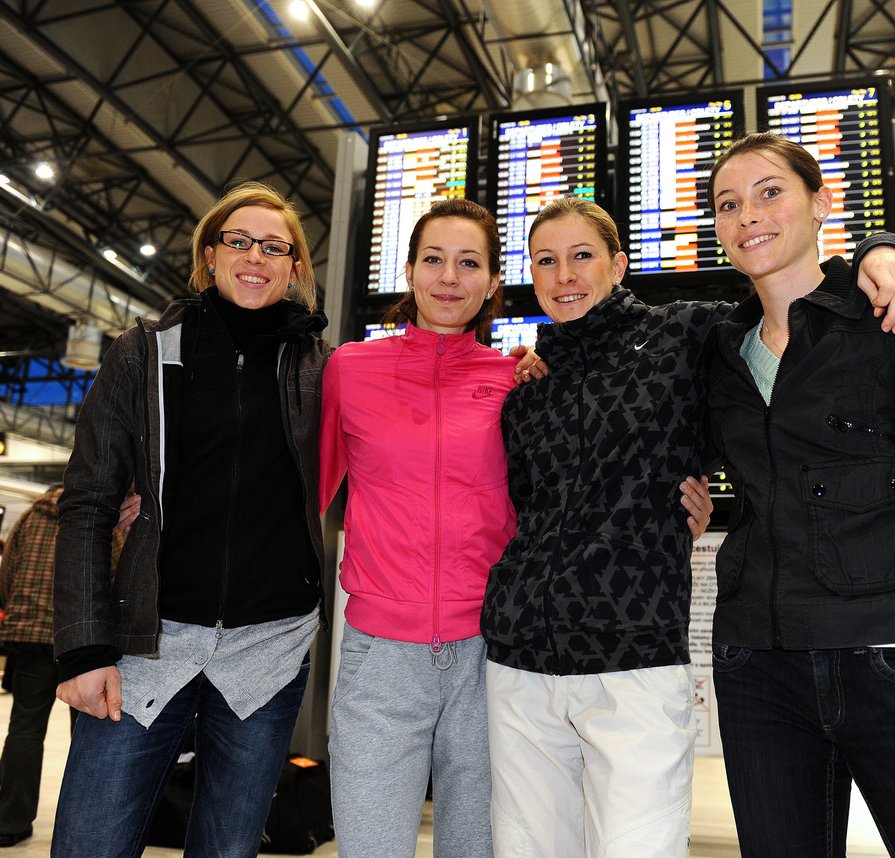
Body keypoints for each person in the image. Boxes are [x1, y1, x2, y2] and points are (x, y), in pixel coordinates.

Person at [480, 193, 895, 857]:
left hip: (634, 653)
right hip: (519, 658)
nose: (564, 274)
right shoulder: (528, 385)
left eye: (581, 256)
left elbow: (788, 295)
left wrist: (881, 249)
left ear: (619, 264)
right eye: (546, 261)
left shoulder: (685, 334)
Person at [702, 132, 895, 856]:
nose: (748, 214)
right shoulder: (719, 355)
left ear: (822, 204)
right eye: (728, 204)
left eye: (770, 191)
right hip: (761, 671)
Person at [52, 181, 330, 858]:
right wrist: (85, 649)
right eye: (239, 241)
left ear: (295, 266)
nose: (255, 257)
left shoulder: (322, 370)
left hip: (268, 650)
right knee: (90, 843)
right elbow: (88, 500)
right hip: (146, 643)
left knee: (228, 849)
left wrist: (523, 372)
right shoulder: (140, 356)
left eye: (275, 246)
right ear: (210, 254)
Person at [319, 197, 578, 858]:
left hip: (490, 657)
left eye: (469, 263)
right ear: (409, 271)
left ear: (493, 281)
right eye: (433, 259)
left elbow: (559, 504)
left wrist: (678, 498)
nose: (448, 277)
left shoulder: (517, 381)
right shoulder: (351, 370)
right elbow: (304, 490)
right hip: (380, 656)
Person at [0, 486, 121, 849]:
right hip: (81, 642)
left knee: (24, 728)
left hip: (29, 637)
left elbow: (6, 572)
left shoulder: (29, 517)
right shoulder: (100, 521)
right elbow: (115, 579)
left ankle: (9, 821)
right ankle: (85, 825)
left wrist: (18, 617)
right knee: (87, 733)